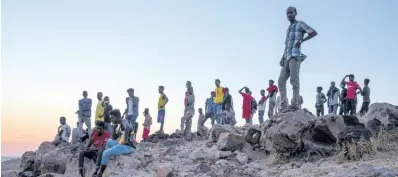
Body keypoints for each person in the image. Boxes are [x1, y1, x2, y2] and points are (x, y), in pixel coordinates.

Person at [278, 6, 318, 111]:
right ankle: (283, 106)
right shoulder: (288, 29)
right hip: (287, 57)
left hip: (295, 56)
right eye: (287, 13)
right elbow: (287, 45)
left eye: (291, 13)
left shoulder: (300, 24)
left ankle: (295, 104)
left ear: (295, 13)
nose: (289, 15)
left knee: (294, 80)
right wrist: (282, 57)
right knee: (281, 81)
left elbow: (313, 32)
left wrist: (302, 40)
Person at [95, 110, 136, 177]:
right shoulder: (120, 126)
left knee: (105, 153)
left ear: (117, 117)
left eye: (112, 118)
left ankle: (100, 174)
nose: (111, 120)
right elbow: (114, 138)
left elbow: (127, 127)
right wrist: (114, 129)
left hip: (129, 147)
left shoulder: (124, 121)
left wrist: (125, 140)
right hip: (122, 146)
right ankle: (109, 155)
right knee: (109, 141)